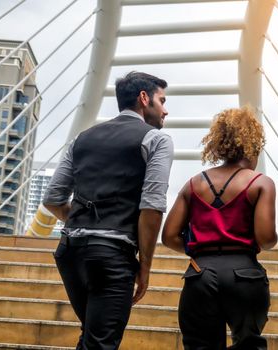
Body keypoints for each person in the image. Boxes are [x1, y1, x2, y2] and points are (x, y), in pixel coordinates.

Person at [43, 71, 174, 350]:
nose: (166, 109)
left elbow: (53, 198)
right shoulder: (157, 140)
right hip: (111, 257)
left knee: (91, 336)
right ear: (144, 99)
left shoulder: (82, 138)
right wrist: (146, 266)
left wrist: (84, 222)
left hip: (70, 251)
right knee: (101, 343)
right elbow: (151, 206)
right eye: (162, 100)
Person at [162, 106, 278, 350]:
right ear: (252, 145)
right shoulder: (260, 183)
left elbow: (169, 235)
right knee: (249, 345)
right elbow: (267, 238)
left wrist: (199, 250)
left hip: (200, 274)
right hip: (245, 275)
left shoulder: (193, 184)